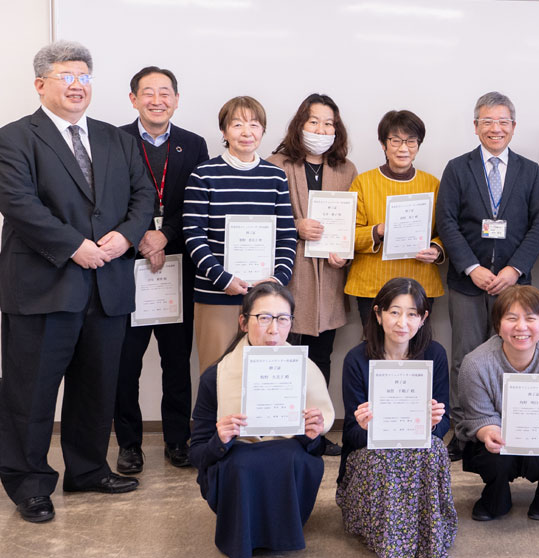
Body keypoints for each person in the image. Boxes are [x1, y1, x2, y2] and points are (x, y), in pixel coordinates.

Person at [0, 41, 154, 523]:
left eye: (84, 76)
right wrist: (75, 246)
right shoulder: (15, 138)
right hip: (44, 285)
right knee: (32, 392)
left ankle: (87, 469)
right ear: (40, 83)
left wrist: (124, 238)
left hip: (107, 284)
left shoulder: (116, 138)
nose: (76, 84)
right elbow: (19, 204)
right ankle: (29, 483)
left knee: (96, 386)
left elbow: (142, 196)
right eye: (66, 76)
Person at [436, 92, 539, 461]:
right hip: (468, 282)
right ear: (476, 127)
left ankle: (515, 426)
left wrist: (513, 270)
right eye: (487, 122)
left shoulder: (530, 170)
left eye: (503, 122)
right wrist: (473, 267)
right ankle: (467, 431)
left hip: (515, 286)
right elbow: (447, 223)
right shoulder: (457, 168)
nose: (495, 129)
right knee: (466, 358)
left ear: (513, 127)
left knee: (518, 355)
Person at [188, 281, 334, 558]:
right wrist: (219, 440)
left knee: (293, 457)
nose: (273, 330)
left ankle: (284, 528)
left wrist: (311, 435)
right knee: (242, 463)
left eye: (282, 319)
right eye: (263, 318)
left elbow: (314, 450)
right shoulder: (216, 376)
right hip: (236, 459)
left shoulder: (307, 371)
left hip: (286, 456)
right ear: (243, 321)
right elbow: (197, 454)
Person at [113, 66, 209, 474]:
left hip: (178, 267)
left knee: (176, 362)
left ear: (176, 98)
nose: (157, 100)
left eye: (165, 92)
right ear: (133, 98)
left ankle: (177, 441)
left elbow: (200, 204)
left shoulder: (194, 143)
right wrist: (140, 238)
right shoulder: (113, 140)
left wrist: (165, 235)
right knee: (125, 364)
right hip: (125, 267)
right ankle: (129, 445)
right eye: (148, 92)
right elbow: (105, 201)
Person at [337, 277, 456, 558]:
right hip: (371, 450)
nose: (402, 322)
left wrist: (433, 423)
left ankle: (425, 531)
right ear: (377, 315)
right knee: (382, 459)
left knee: (434, 452)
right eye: (394, 312)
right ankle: (392, 535)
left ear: (423, 318)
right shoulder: (356, 360)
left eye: (412, 314)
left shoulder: (434, 354)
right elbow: (350, 437)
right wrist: (363, 426)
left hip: (416, 443)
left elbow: (445, 421)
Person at [268, 93, 358, 457]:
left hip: (330, 277)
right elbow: (262, 217)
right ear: (299, 124)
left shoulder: (346, 169)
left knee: (322, 358)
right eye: (314, 122)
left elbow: (353, 223)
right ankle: (285, 429)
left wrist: (345, 251)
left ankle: (316, 433)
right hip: (291, 276)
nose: (321, 130)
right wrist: (295, 225)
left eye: (329, 123)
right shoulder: (276, 164)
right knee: (287, 357)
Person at [182, 96, 297, 372]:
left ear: (263, 130)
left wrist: (277, 280)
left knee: (261, 374)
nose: (247, 132)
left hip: (265, 298)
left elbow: (287, 235)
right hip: (215, 294)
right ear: (224, 131)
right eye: (237, 124)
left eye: (254, 125)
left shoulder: (275, 177)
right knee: (216, 372)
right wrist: (223, 279)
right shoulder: (203, 175)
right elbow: (193, 235)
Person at [456, 286, 539, 521]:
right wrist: (488, 431)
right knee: (493, 458)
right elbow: (476, 417)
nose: (521, 327)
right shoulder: (476, 363)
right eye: (511, 318)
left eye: (531, 319)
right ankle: (496, 494)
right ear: (498, 326)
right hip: (499, 440)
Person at [343, 110, 444, 325]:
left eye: (411, 141)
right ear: (383, 144)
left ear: (418, 145)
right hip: (373, 285)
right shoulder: (363, 182)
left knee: (416, 352)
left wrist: (436, 249)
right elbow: (347, 235)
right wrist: (378, 230)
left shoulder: (432, 184)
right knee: (375, 351)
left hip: (420, 282)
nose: (403, 148)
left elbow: (446, 230)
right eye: (396, 140)